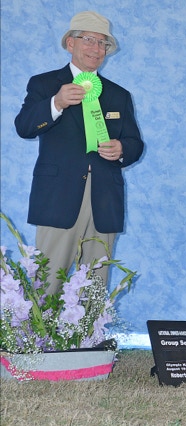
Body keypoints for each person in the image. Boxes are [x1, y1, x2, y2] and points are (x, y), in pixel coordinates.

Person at [14, 11, 144, 294]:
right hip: (57, 198)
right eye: (89, 40)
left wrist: (123, 149)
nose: (96, 48)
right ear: (70, 43)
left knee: (95, 290)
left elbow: (135, 144)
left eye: (102, 43)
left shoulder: (119, 95)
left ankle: (92, 326)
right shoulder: (44, 84)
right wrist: (56, 103)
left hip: (104, 199)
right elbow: (24, 127)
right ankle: (40, 326)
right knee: (45, 285)